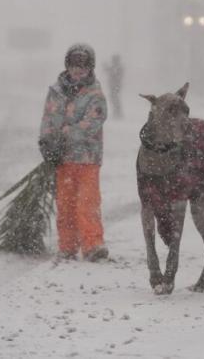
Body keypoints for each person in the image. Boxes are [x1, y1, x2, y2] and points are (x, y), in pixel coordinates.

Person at [39, 43, 109, 262]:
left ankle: (92, 245)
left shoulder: (95, 94)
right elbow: (48, 119)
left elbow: (92, 123)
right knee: (65, 203)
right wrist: (47, 142)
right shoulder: (56, 92)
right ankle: (67, 245)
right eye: (73, 65)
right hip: (64, 160)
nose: (78, 70)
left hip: (87, 159)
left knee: (87, 203)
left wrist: (65, 136)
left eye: (83, 66)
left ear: (90, 68)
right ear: (67, 65)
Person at [104, 54, 125, 119]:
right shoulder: (116, 67)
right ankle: (117, 112)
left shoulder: (118, 67)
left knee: (114, 98)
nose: (112, 61)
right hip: (113, 86)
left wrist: (107, 68)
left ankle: (118, 112)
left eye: (113, 59)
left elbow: (114, 73)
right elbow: (109, 71)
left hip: (115, 86)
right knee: (113, 98)